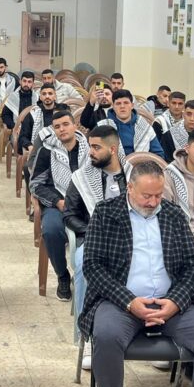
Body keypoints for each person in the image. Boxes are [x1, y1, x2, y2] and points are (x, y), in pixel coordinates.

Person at [81, 161, 194, 387]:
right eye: (146, 196)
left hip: (169, 303)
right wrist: (129, 301)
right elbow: (93, 266)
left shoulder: (173, 214)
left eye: (158, 195)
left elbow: (193, 266)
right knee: (106, 337)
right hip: (120, 302)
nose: (153, 202)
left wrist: (175, 302)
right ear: (130, 187)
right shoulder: (105, 212)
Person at [63, 125, 127, 369]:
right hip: (92, 239)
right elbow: (69, 215)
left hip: (131, 239)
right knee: (84, 265)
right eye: (90, 146)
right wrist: (93, 230)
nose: (90, 152)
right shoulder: (81, 177)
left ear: (113, 149)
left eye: (96, 147)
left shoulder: (133, 175)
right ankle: (88, 336)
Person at [30, 110, 89, 301]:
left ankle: (90, 275)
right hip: (58, 203)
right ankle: (62, 275)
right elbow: (36, 184)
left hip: (86, 203)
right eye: (57, 126)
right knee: (51, 230)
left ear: (74, 126)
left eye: (65, 124)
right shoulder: (46, 151)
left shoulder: (89, 149)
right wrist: (58, 201)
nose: (62, 129)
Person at [96, 89, 166, 160]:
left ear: (132, 105)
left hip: (141, 165)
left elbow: (159, 155)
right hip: (111, 165)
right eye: (118, 103)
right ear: (113, 106)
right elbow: (95, 153)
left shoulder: (145, 127)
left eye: (126, 103)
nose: (122, 106)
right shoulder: (102, 127)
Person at [153, 90, 186, 155]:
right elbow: (157, 146)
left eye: (180, 104)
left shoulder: (188, 121)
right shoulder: (159, 121)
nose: (177, 106)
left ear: (184, 106)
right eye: (174, 103)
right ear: (168, 103)